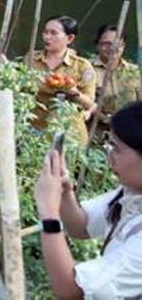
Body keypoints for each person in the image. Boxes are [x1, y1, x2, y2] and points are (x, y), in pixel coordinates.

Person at [34, 101, 142, 299]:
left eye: (116, 149)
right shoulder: (132, 193)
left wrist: (49, 212)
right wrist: (65, 193)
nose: (110, 157)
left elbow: (71, 289)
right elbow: (81, 226)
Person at [26, 16, 97, 144]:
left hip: (69, 133)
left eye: (54, 33)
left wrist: (73, 92)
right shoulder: (31, 59)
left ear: (70, 38)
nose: (47, 37)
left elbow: (90, 104)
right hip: (35, 130)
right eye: (45, 32)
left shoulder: (82, 66)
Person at [91, 24, 141, 135]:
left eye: (117, 44)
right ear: (98, 45)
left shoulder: (134, 72)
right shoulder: (87, 69)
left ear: (123, 46)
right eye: (106, 44)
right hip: (96, 133)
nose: (112, 48)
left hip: (130, 133)